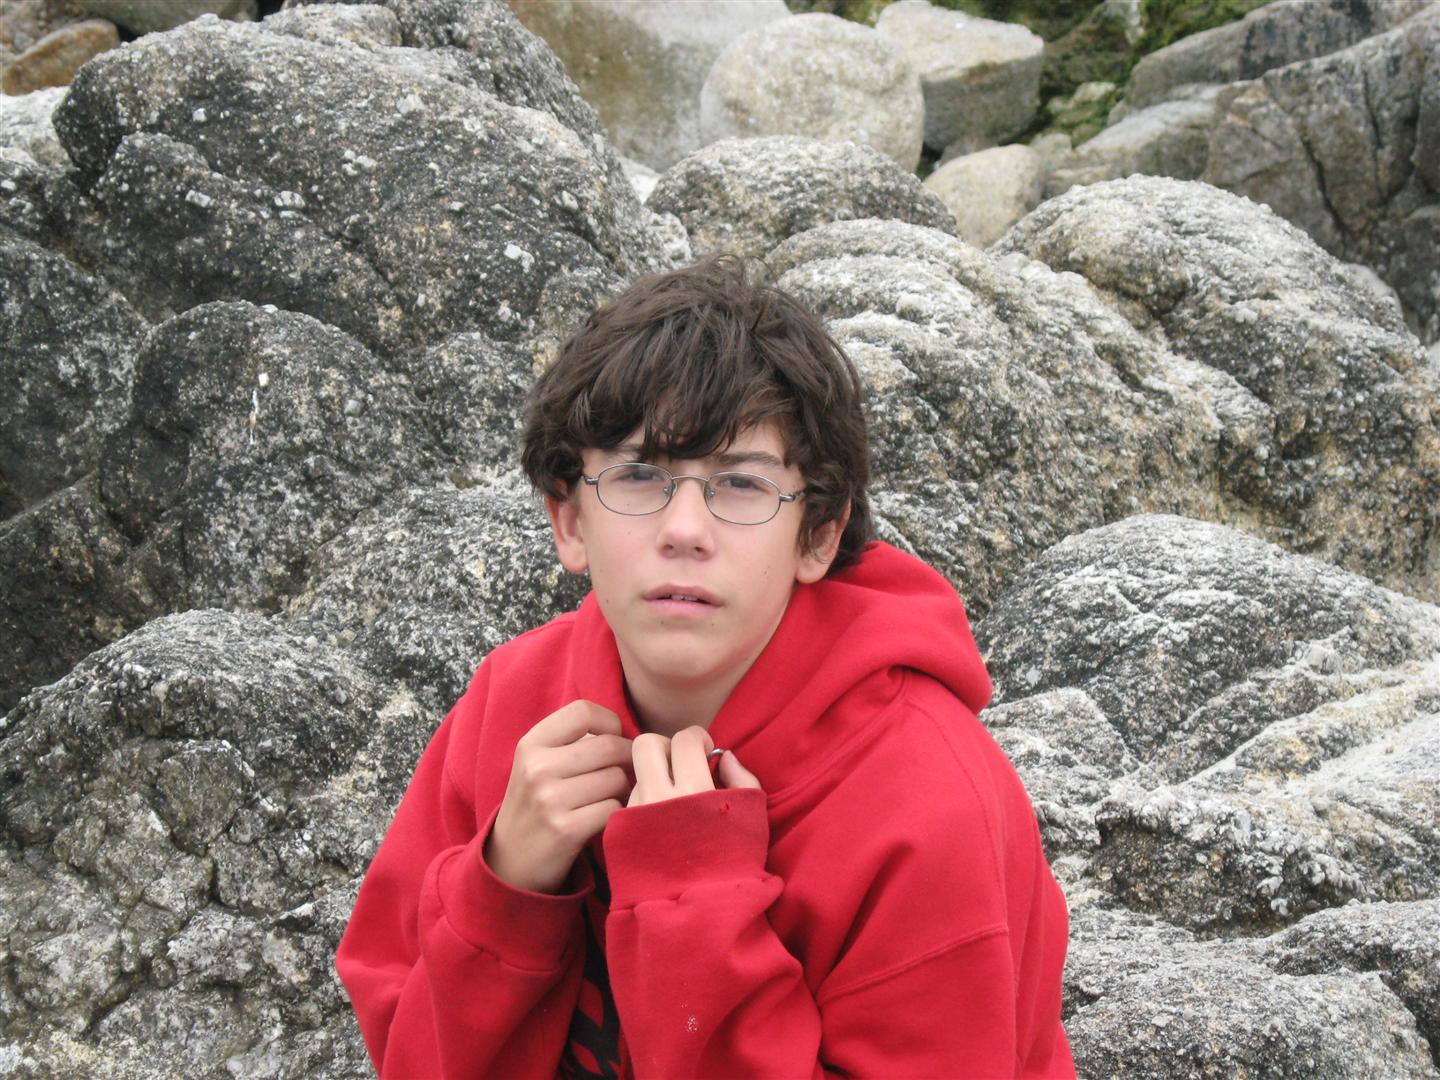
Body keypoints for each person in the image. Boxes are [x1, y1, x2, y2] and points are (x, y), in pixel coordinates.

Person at [335, 255, 1075, 1078]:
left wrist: (693, 904)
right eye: (639, 475)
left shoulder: (922, 799)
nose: (685, 529)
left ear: (818, 534)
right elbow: (407, 1052)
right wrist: (504, 886)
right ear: (569, 520)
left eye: (740, 485)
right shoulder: (515, 705)